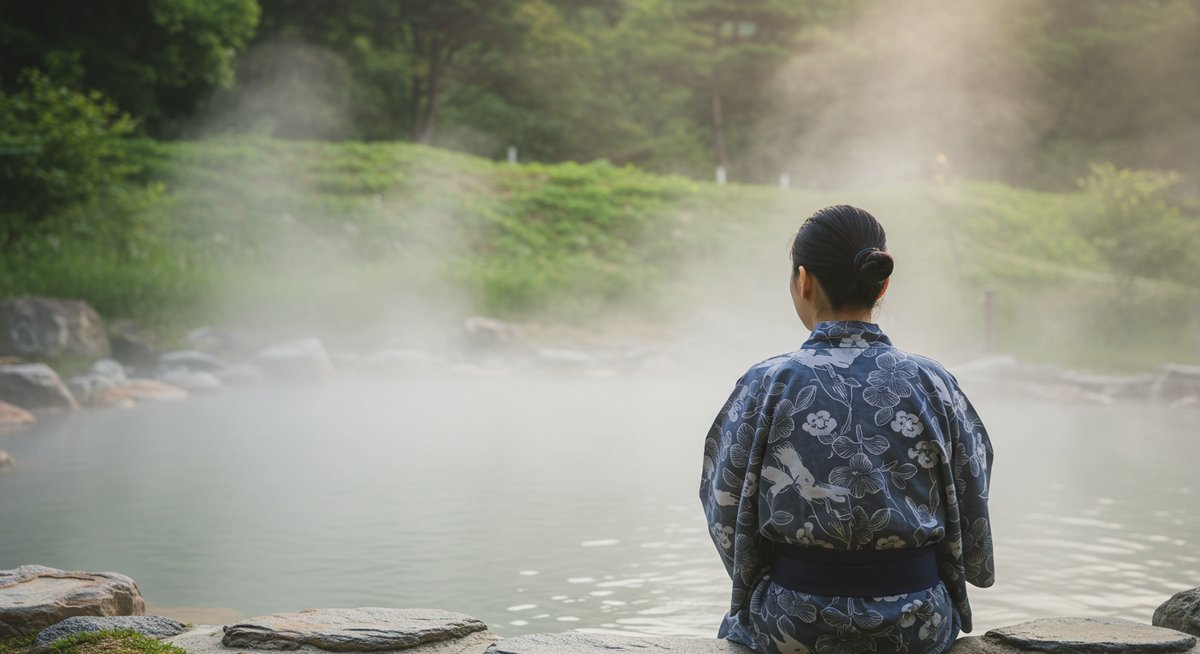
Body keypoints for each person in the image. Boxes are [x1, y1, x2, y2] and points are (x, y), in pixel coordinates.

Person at [700, 205, 994, 654]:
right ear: (883, 283)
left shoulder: (768, 383)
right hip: (916, 622)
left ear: (804, 281)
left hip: (794, 621)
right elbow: (973, 487)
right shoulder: (933, 382)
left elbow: (722, 500)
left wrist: (760, 581)